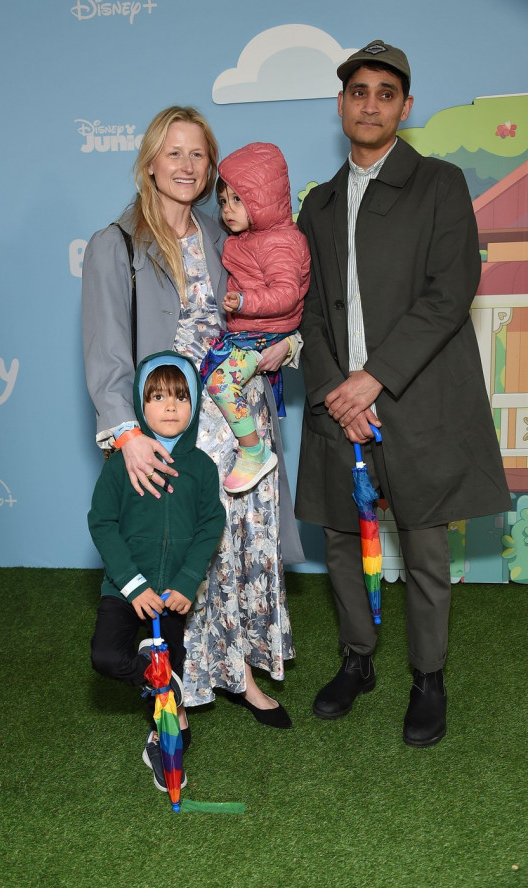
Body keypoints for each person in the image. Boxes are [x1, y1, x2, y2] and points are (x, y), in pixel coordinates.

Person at [296, 40, 511, 747]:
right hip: (339, 405)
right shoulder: (318, 204)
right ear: (341, 103)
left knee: (423, 549)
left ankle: (428, 676)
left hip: (412, 400)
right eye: (358, 91)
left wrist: (372, 380)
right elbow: (306, 312)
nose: (370, 103)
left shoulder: (440, 184)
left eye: (386, 93)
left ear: (405, 107)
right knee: (337, 538)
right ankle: (357, 659)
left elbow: (452, 293)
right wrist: (336, 391)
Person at [82, 106, 303, 733]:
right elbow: (105, 355)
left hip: (239, 420)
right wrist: (127, 435)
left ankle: (242, 672)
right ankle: (178, 680)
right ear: (150, 160)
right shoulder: (116, 244)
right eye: (173, 152)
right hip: (169, 432)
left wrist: (289, 345)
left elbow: (279, 303)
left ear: (212, 167)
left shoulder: (225, 234)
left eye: (198, 154)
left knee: (232, 551)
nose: (186, 165)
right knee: (181, 554)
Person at [88, 351, 226, 791]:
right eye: (158, 396)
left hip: (171, 595)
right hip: (125, 588)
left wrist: (187, 580)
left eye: (181, 397)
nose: (170, 406)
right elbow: (102, 522)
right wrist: (132, 585)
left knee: (173, 678)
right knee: (108, 657)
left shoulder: (202, 467)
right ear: (139, 405)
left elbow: (211, 525)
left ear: (196, 404)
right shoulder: (120, 463)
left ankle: (164, 736)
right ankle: (155, 679)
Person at [199, 142, 310, 494]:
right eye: (223, 201)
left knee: (220, 384)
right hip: (250, 332)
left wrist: (246, 301)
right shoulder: (249, 239)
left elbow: (287, 293)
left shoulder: (279, 242)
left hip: (265, 336)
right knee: (211, 380)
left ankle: (254, 452)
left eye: (238, 199)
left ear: (262, 201)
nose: (228, 210)